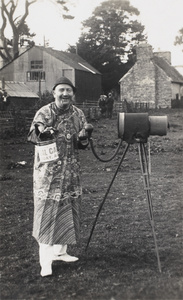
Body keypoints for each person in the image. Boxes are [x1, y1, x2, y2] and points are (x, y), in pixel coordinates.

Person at [28, 77, 93, 277]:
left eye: (68, 91)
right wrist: (43, 131)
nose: (65, 94)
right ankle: (45, 262)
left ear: (73, 94)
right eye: (61, 90)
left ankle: (61, 252)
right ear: (54, 92)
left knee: (68, 208)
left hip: (71, 170)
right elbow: (34, 133)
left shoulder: (78, 113)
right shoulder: (45, 112)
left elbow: (81, 143)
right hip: (48, 174)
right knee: (47, 213)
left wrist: (84, 136)